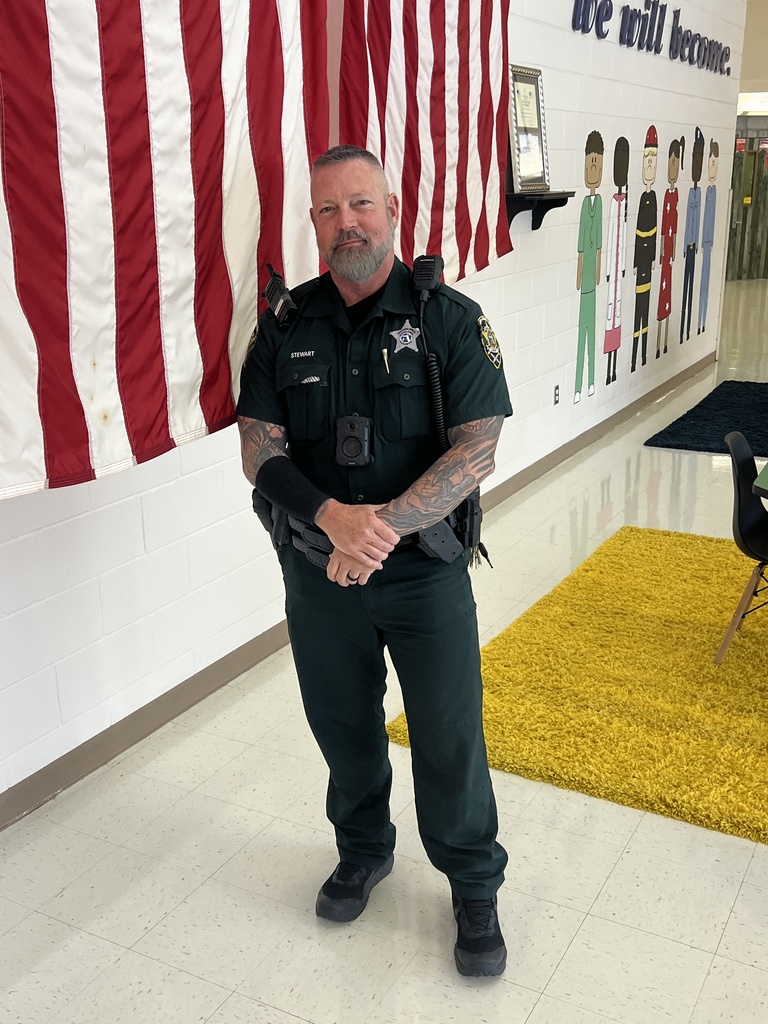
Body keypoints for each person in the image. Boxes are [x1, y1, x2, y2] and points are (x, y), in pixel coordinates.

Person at [236, 145, 511, 977]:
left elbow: (478, 451)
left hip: (423, 576)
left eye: (361, 203)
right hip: (319, 579)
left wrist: (376, 531)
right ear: (314, 224)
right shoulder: (284, 327)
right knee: (344, 729)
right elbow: (258, 452)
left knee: (449, 737)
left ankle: (471, 882)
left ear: (392, 209)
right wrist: (329, 521)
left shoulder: (450, 321)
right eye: (328, 210)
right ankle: (362, 850)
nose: (346, 222)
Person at [575, 130, 603, 403]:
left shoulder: (600, 203)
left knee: (591, 331)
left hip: (592, 283)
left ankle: (592, 381)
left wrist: (596, 274)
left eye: (596, 163)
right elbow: (581, 245)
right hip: (583, 281)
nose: (592, 169)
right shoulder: (584, 204)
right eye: (589, 164)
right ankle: (577, 386)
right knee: (582, 332)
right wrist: (580, 274)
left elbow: (598, 245)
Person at [631, 125, 658, 372]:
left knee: (647, 310)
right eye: (647, 159)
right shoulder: (641, 199)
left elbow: (654, 230)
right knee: (638, 308)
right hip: (641, 263)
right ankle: (633, 356)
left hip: (648, 264)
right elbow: (639, 233)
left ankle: (644, 355)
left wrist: (655, 258)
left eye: (653, 160)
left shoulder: (654, 198)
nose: (650, 166)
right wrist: (635, 263)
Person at [604, 136, 629, 386]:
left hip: (619, 273)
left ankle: (613, 367)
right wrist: (610, 270)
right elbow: (612, 234)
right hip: (612, 272)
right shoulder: (612, 203)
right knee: (610, 317)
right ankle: (609, 367)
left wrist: (622, 268)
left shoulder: (626, 202)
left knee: (618, 316)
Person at [656, 136, 684, 358]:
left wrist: (673, 251)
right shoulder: (664, 195)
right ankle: (659, 342)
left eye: (675, 162)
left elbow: (674, 225)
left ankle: (665, 341)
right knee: (660, 298)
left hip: (671, 252)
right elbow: (664, 226)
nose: (671, 167)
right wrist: (661, 252)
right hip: (664, 251)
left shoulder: (675, 196)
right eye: (670, 162)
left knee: (668, 298)